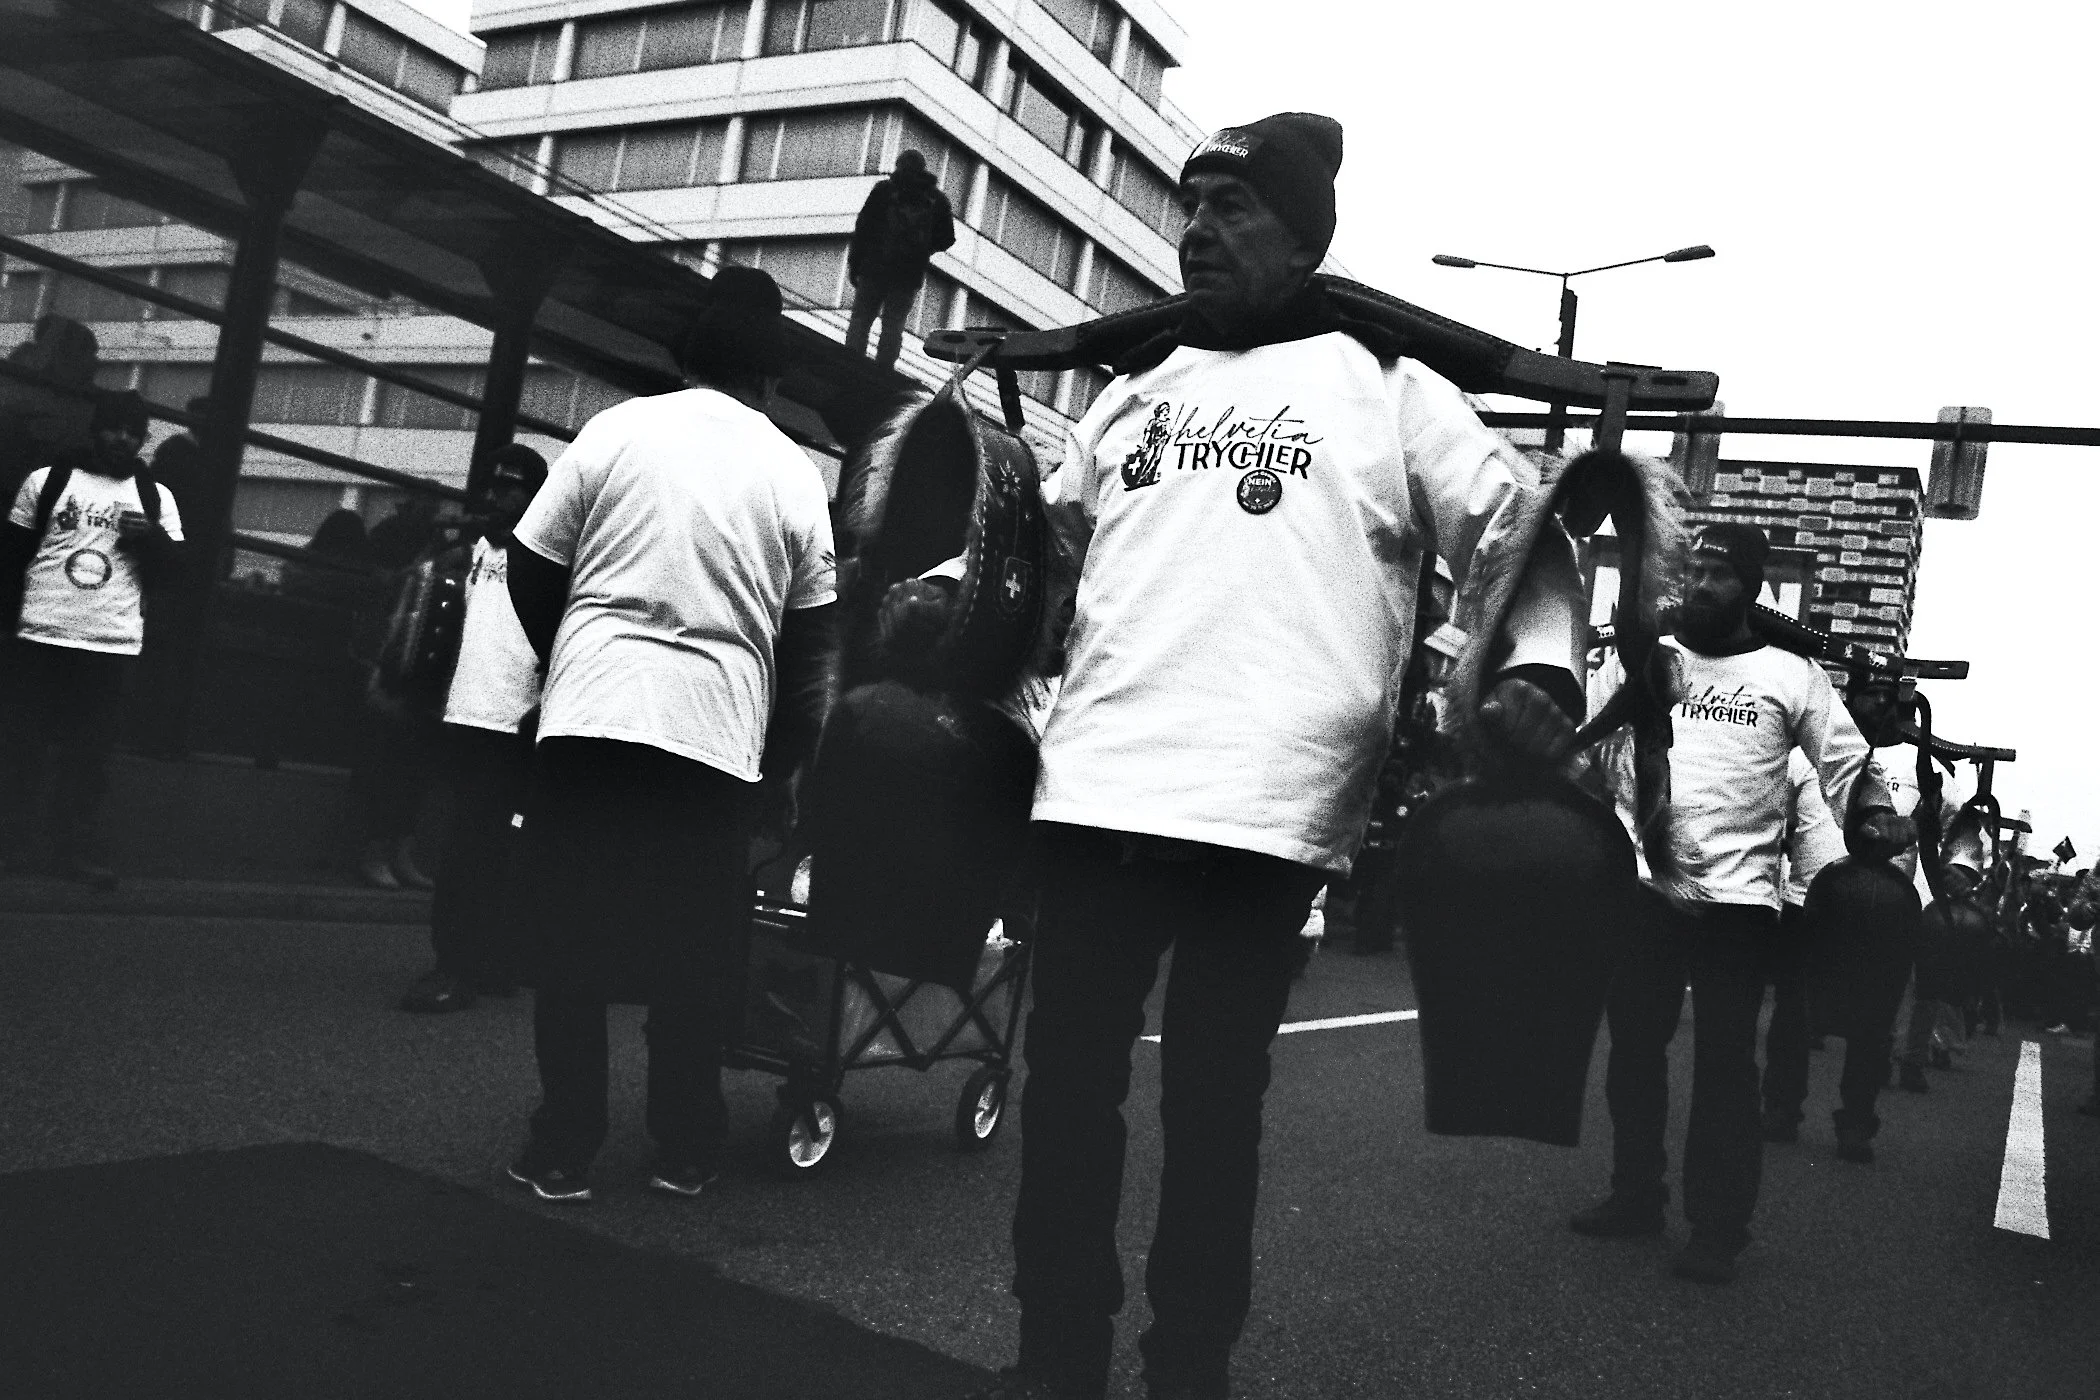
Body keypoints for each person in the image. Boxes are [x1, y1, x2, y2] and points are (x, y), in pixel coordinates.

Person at [971, 113, 1587, 1400]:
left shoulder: (1393, 389)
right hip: (1096, 783)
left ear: (1306, 236)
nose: (1196, 228)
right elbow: (1047, 557)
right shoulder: (1135, 389)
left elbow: (1517, 538)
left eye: (1234, 207)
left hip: (1267, 801)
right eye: (1191, 205)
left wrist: (1535, 669)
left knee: (1212, 1103)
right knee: (1065, 1087)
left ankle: (1187, 1362)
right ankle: (1054, 1350)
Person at [500, 266, 837, 1204]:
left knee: (571, 946)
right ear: (772, 381)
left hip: (591, 719)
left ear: (684, 357)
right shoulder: (795, 475)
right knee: (693, 960)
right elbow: (813, 641)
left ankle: (563, 1143)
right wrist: (780, 762)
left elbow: (533, 563)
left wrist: (574, 655)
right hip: (715, 737)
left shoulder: (615, 430)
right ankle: (684, 1145)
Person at [1574, 523, 1903, 1286]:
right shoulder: (1644, 664)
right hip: (1646, 890)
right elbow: (1588, 746)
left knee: (1725, 1066)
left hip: (1740, 903)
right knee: (1633, 1052)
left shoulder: (1794, 677)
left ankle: (1718, 1228)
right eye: (1693, 570)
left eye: (1720, 573)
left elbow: (1849, 763)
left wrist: (1872, 816)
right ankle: (1635, 1195)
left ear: (1752, 588)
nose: (1701, 584)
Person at [0, 388, 184, 888]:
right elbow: (12, 555)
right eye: (114, 428)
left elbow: (179, 574)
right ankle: (10, 844)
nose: (122, 439)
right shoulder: (49, 480)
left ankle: (73, 850)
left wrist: (152, 539)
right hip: (39, 633)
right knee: (21, 745)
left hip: (109, 642)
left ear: (143, 440)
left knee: (88, 757)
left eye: (133, 432)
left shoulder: (155, 497)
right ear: (95, 429)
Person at [401, 443, 549, 1014]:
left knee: (494, 846)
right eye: (491, 485)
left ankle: (468, 963)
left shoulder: (551, 558)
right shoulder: (472, 554)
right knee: (469, 843)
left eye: (510, 488)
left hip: (518, 723)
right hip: (466, 716)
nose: (495, 497)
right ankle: (468, 961)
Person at [844, 149, 955, 370]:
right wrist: (924, 250)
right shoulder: (937, 200)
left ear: (899, 165)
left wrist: (855, 265)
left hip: (874, 267)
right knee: (894, 324)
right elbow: (948, 238)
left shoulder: (884, 190)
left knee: (862, 318)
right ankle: (884, 369)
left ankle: (850, 362)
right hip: (908, 275)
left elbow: (863, 228)